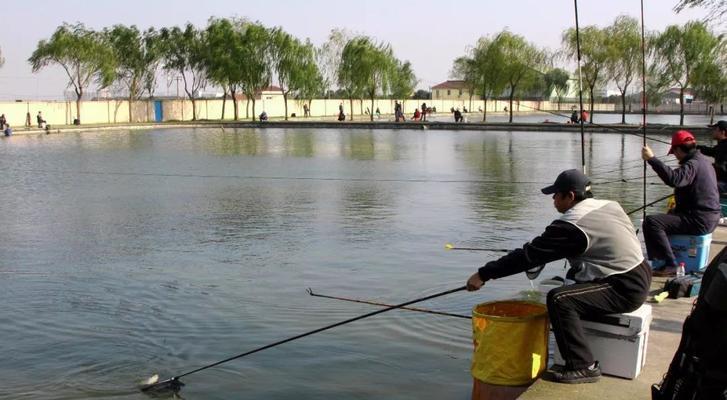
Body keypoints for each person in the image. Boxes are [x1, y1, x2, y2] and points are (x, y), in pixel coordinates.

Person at [466, 169, 650, 384]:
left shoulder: (572, 224)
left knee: (559, 299)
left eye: (556, 195)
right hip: (639, 272)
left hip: (624, 288)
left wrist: (483, 274)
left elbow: (527, 256)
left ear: (570, 196)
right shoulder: (609, 205)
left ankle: (583, 366)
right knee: (569, 282)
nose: (553, 200)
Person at [642, 130, 721, 276]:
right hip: (709, 217)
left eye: (674, 152)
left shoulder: (693, 164)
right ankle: (664, 259)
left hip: (700, 220)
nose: (676, 157)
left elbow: (674, 179)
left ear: (679, 149)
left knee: (652, 222)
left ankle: (670, 264)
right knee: (667, 217)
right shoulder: (704, 161)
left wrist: (652, 159)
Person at [697, 120, 727, 194]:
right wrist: (696, 147)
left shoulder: (724, 146)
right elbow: (711, 151)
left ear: (722, 132)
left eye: (715, 130)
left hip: (725, 184)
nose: (713, 132)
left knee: (701, 185)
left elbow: (722, 167)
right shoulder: (721, 145)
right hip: (722, 181)